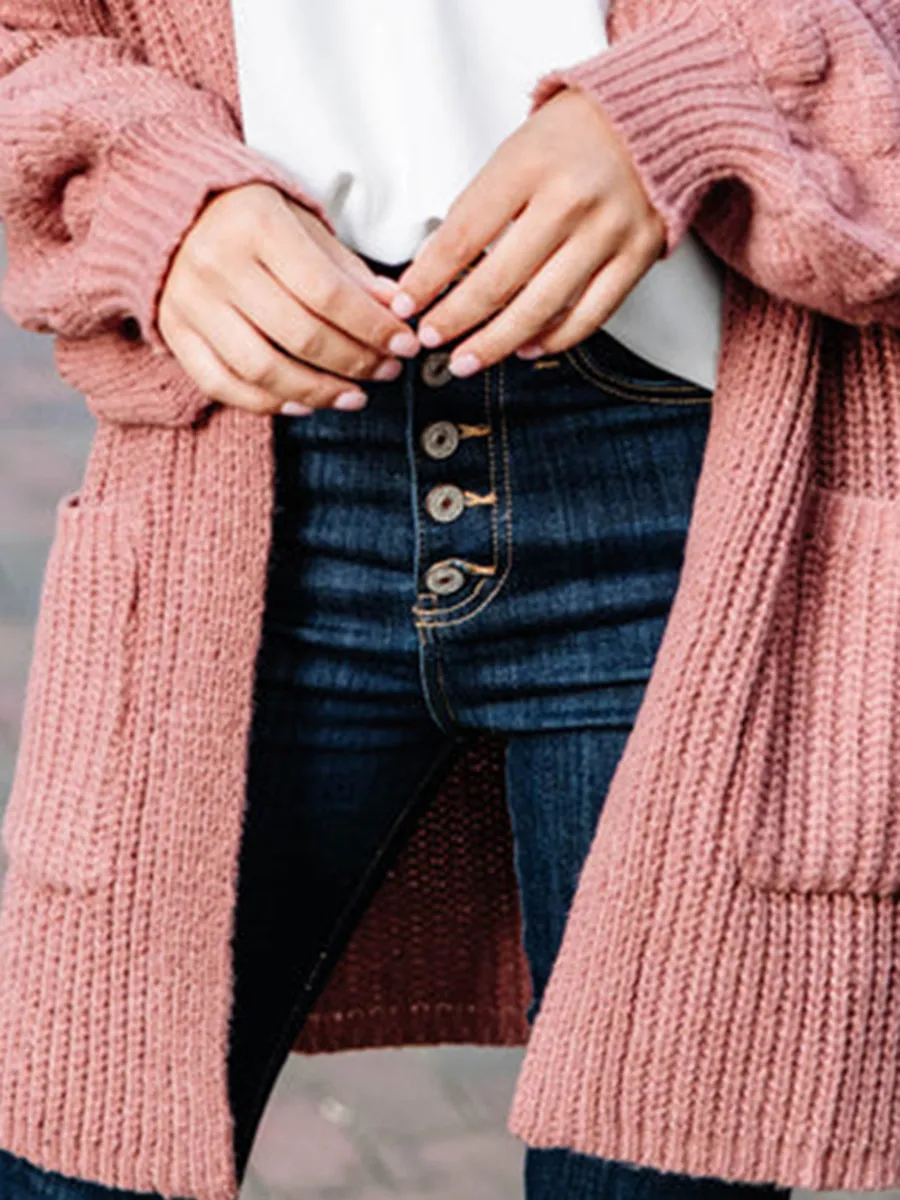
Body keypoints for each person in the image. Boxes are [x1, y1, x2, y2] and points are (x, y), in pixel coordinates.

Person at [1, 2, 900, 1199]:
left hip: (703, 486)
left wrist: (710, 93)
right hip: (249, 470)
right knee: (68, 1150)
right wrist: (154, 183)